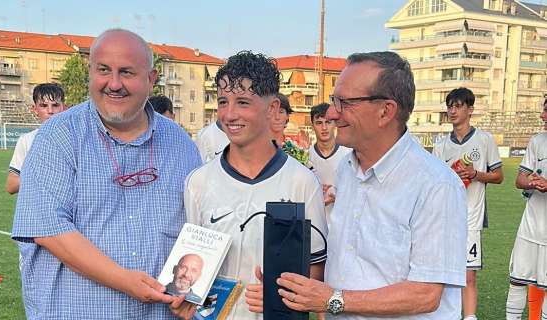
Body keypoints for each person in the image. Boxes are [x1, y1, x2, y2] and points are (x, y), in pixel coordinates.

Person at [11, 29, 201, 320]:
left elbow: (198, 228)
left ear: (151, 80)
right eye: (103, 70)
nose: (114, 84)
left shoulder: (180, 144)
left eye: (126, 72)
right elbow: (50, 231)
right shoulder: (58, 136)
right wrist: (125, 280)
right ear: (90, 72)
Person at [275, 51, 467, 319]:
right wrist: (288, 282)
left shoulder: (436, 186)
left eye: (344, 102)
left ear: (385, 111)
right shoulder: (347, 169)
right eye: (334, 100)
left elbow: (425, 293)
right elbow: (346, 260)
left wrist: (333, 299)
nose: (331, 113)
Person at [184, 50, 328, 320]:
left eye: (243, 102)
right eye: (223, 101)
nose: (229, 114)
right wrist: (184, 296)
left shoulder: (302, 182)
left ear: (273, 108)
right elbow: (192, 268)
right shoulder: (198, 182)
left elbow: (315, 273)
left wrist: (279, 296)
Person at [432, 87, 503, 320]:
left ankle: (469, 317)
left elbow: (498, 176)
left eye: (458, 106)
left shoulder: (485, 140)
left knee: (468, 275)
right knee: (441, 273)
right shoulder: (441, 145)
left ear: (470, 109)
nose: (452, 111)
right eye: (450, 106)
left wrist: (475, 175)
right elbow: (432, 182)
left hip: (471, 218)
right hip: (444, 219)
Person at [505, 98, 547, 320]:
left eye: (546, 111)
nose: (542, 116)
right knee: (517, 281)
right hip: (530, 226)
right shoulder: (537, 141)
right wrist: (532, 182)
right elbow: (520, 179)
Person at [6, 83, 66, 194]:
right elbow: (11, 185)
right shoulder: (26, 140)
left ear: (64, 108)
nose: (50, 111)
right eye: (43, 106)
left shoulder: (77, 139)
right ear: (35, 109)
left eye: (55, 105)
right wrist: (43, 176)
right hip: (38, 209)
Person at [308, 102, 351, 221]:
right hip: (314, 226)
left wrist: (337, 193)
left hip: (341, 226)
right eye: (319, 123)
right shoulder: (305, 157)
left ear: (335, 124)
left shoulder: (348, 155)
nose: (324, 128)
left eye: (328, 122)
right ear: (312, 126)